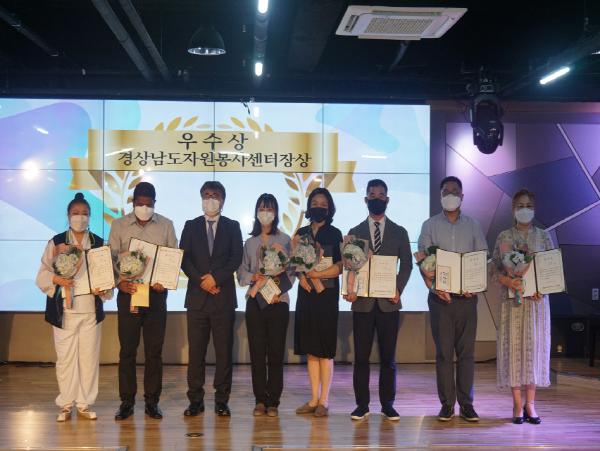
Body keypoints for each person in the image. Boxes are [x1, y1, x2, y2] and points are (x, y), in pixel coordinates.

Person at [36, 192, 113, 422]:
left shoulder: (99, 243)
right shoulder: (57, 242)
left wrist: (103, 290)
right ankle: (66, 404)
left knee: (89, 359)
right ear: (68, 216)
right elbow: (42, 275)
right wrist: (57, 279)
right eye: (76, 213)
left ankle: (84, 403)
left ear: (90, 217)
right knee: (66, 359)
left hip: (90, 309)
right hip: (64, 310)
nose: (80, 217)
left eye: (85, 213)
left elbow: (107, 279)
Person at [417, 176, 487, 422]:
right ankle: (447, 404)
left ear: (462, 196)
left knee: (466, 354)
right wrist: (436, 285)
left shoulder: (473, 226)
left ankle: (467, 404)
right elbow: (424, 260)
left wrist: (474, 285)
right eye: (445, 191)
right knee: (444, 354)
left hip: (467, 299)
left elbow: (481, 258)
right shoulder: (429, 225)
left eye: (454, 191)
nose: (450, 195)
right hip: (440, 300)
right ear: (440, 196)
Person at [108, 182, 178, 421]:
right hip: (129, 294)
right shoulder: (118, 225)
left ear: (155, 203)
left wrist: (164, 281)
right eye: (140, 204)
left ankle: (152, 402)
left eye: (149, 204)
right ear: (133, 203)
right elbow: (111, 260)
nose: (145, 208)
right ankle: (126, 402)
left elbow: (172, 260)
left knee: (154, 352)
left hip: (156, 296)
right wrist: (119, 282)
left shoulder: (166, 225)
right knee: (127, 350)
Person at [345, 179, 413, 421]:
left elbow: (407, 264)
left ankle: (388, 405)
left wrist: (398, 288)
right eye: (372, 195)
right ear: (366, 200)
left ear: (387, 200)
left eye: (381, 195)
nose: (377, 199)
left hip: (388, 303)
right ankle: (362, 405)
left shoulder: (400, 232)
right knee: (361, 358)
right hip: (362, 303)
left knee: (388, 358)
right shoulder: (354, 233)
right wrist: (350, 289)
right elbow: (350, 267)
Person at [181, 181, 243, 417]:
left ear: (223, 200)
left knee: (223, 353)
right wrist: (202, 281)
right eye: (206, 195)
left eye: (215, 195)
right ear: (201, 198)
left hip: (222, 298)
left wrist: (215, 278)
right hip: (197, 299)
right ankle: (195, 400)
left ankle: (221, 400)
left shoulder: (232, 226)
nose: (210, 199)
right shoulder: (190, 225)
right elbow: (184, 259)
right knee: (196, 353)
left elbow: (236, 257)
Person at [492, 189, 552, 425]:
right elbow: (494, 269)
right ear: (513, 209)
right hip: (512, 304)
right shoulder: (504, 237)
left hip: (537, 304)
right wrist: (507, 280)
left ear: (534, 209)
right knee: (514, 351)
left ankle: (531, 403)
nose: (524, 209)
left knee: (534, 351)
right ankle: (517, 403)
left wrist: (543, 287)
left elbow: (550, 269)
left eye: (528, 205)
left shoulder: (544, 237)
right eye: (520, 206)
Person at [237, 193, 294, 417]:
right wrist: (253, 277)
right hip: (255, 302)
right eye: (262, 208)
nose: (265, 213)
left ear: (276, 213)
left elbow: (292, 271)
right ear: (256, 212)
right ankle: (260, 399)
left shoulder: (285, 240)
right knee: (257, 352)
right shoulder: (250, 242)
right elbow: (241, 271)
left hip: (278, 302)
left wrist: (277, 290)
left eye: (270, 209)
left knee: (276, 353)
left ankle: (273, 401)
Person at [294, 187, 343, 417]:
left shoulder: (335, 233)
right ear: (309, 206)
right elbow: (296, 263)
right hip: (306, 295)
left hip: (327, 296)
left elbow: (341, 266)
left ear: (329, 208)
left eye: (324, 204)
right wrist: (302, 276)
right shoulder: (301, 233)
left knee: (325, 349)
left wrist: (318, 274)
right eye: (315, 203)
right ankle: (313, 399)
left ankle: (324, 400)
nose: (319, 207)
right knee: (311, 349)